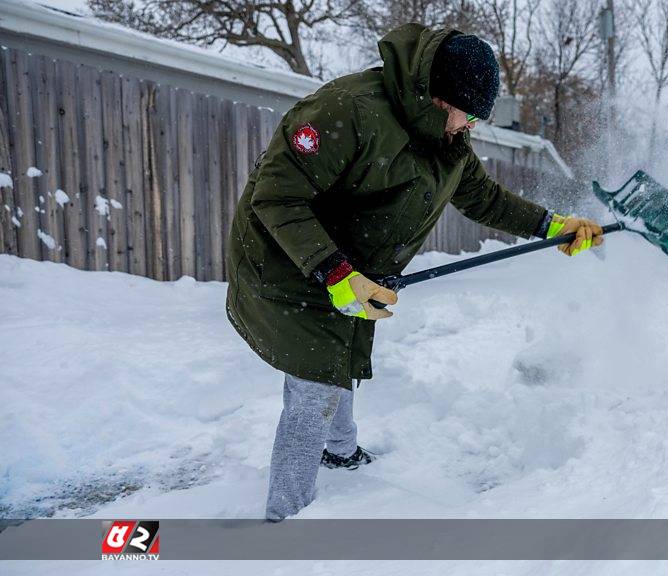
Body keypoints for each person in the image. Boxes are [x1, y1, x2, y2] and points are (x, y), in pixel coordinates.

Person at [225, 23, 605, 521]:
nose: (470, 126)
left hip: (346, 264)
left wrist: (552, 225)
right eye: (468, 114)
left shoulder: (443, 140)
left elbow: (482, 197)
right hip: (287, 259)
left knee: (337, 350)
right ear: (439, 98)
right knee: (313, 379)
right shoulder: (346, 111)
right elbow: (276, 197)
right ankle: (286, 517)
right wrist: (335, 273)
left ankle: (340, 450)